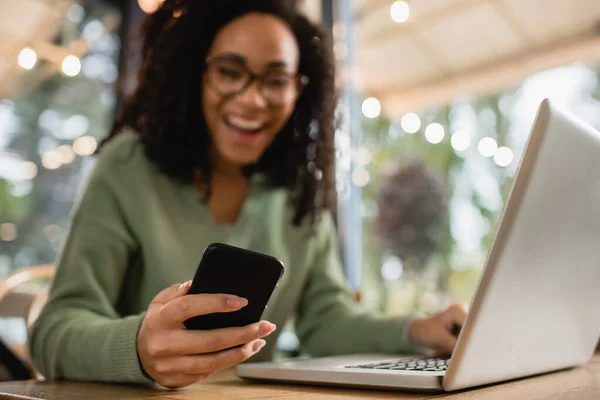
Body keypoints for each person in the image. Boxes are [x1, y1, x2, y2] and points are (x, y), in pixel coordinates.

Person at [29, 0, 467, 389]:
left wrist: (417, 330)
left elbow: (327, 321)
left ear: (300, 90)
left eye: (276, 80)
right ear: (195, 73)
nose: (253, 99)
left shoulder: (298, 192)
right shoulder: (128, 168)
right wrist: (138, 349)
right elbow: (54, 331)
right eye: (229, 72)